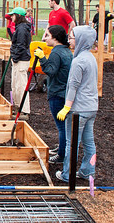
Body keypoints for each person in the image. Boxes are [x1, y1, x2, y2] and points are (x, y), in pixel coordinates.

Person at [55, 25, 99, 183]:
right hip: (91, 107)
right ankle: (88, 171)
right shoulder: (91, 58)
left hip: (78, 109)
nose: (69, 40)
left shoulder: (78, 61)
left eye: (72, 37)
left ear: (81, 40)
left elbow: (73, 86)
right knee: (89, 142)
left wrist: (66, 108)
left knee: (71, 143)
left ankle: (67, 174)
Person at [36, 25, 73, 164]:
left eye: (47, 36)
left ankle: (62, 155)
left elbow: (51, 71)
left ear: (55, 38)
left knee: (62, 126)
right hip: (65, 91)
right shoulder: (66, 51)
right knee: (64, 126)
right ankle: (62, 147)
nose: (45, 38)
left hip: (58, 93)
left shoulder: (56, 53)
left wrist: (42, 59)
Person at [8, 7, 32, 118]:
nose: (11, 17)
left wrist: (15, 56)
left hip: (21, 60)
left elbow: (21, 45)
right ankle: (18, 107)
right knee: (16, 85)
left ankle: (24, 110)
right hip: (19, 58)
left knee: (21, 85)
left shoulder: (22, 29)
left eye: (13, 15)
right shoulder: (20, 27)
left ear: (18, 16)